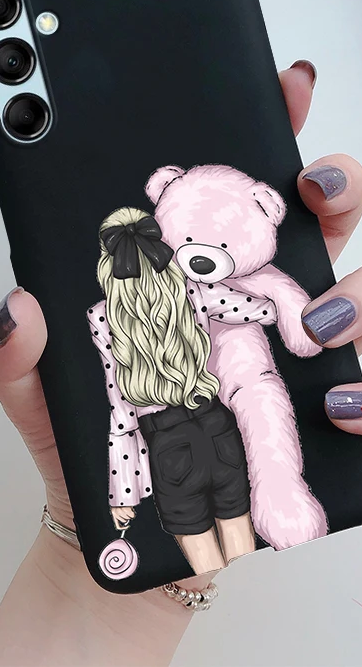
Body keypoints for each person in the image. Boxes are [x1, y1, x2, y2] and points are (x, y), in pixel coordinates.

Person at [0, 61, 362, 667]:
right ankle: (273, 496)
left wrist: (122, 499)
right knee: (243, 449)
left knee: (254, 418)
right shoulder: (168, 304)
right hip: (198, 423)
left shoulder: (121, 314)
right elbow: (245, 313)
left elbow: (129, 406)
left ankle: (278, 492)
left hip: (188, 422)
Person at [90, 206, 256, 574]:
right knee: (245, 553)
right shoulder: (191, 290)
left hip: (168, 447)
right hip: (218, 427)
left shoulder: (103, 317)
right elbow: (254, 309)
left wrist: (124, 493)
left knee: (205, 566)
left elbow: (122, 412)